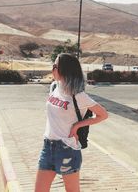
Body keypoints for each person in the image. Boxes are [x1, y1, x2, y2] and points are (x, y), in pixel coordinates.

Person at [35, 53, 108, 192]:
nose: (52, 69)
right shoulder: (54, 87)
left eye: (55, 66)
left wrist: (78, 125)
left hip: (67, 148)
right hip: (47, 147)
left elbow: (103, 115)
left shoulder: (79, 96)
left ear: (63, 70)